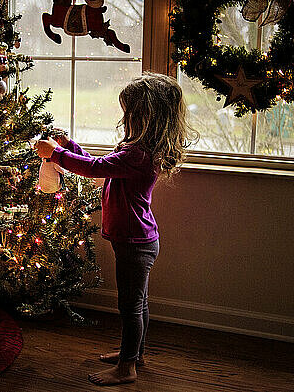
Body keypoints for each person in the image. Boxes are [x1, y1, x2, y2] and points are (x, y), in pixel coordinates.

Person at [34, 72, 196, 386]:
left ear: (143, 117)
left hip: (135, 242)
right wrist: (70, 147)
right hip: (137, 239)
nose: (123, 119)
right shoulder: (138, 151)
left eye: (128, 113)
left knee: (130, 305)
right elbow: (99, 166)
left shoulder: (137, 154)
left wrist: (55, 153)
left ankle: (127, 367)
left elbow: (93, 168)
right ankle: (136, 354)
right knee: (139, 303)